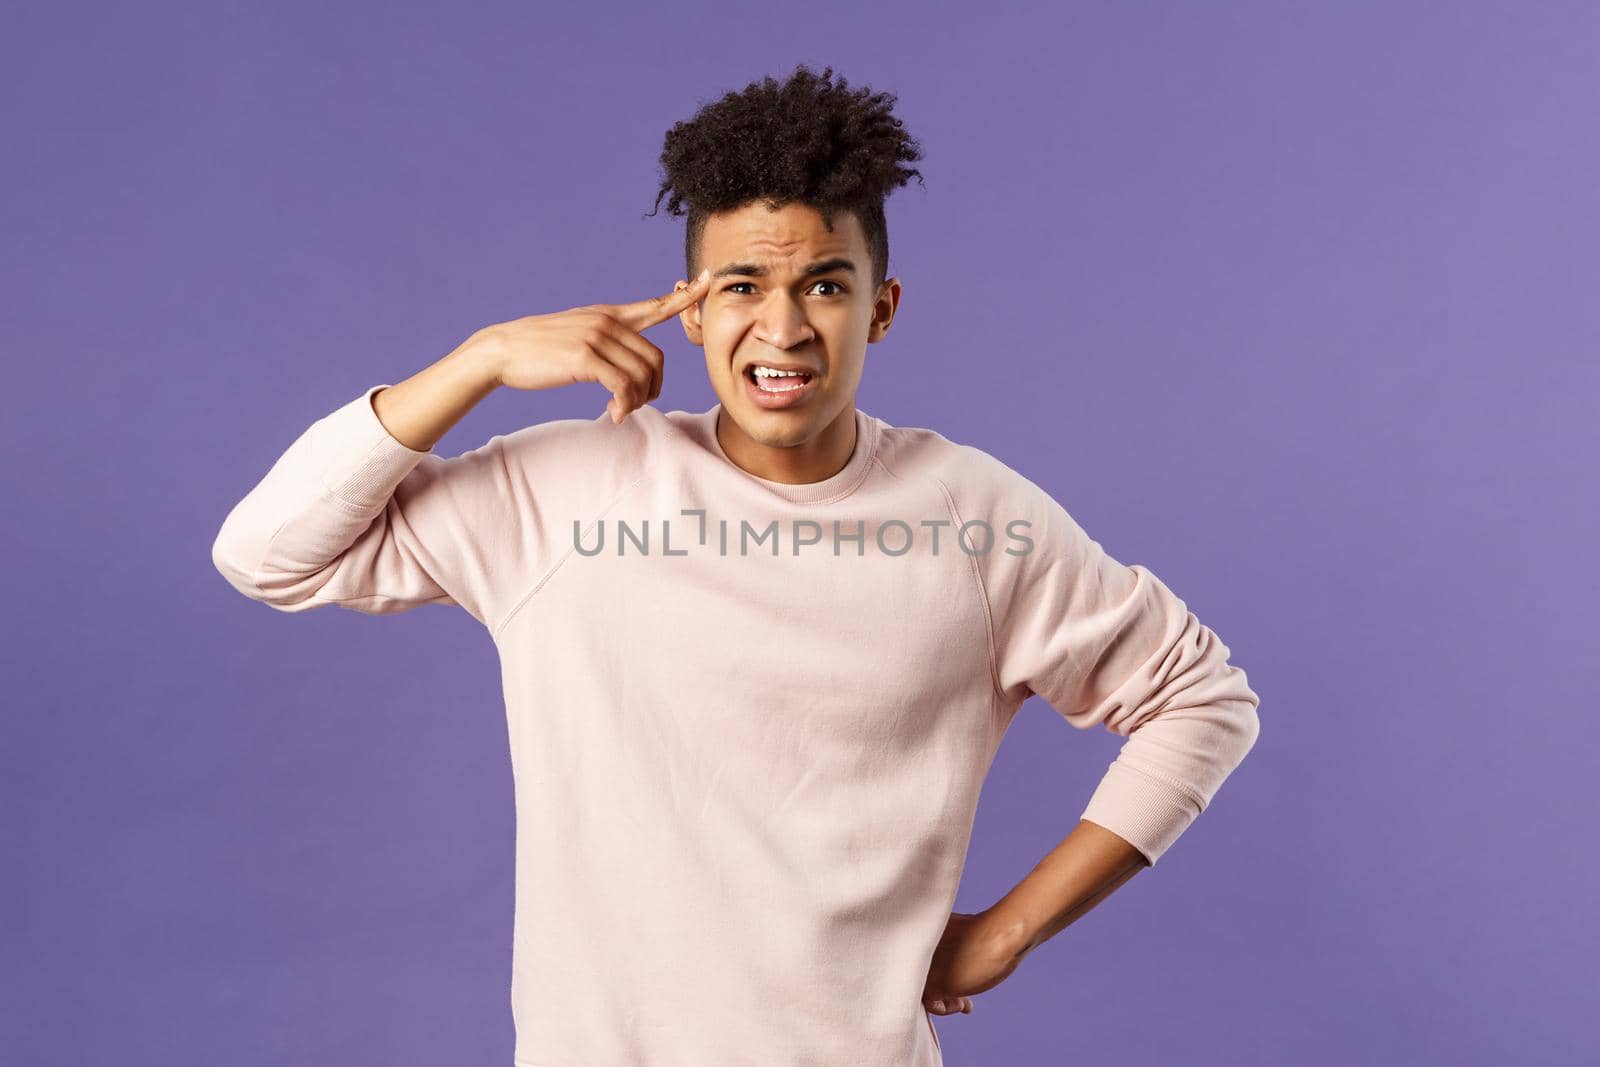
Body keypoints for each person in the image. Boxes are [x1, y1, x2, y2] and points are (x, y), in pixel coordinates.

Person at [212, 63, 1260, 1066]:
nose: (784, 325)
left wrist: (1008, 931)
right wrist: (478, 360)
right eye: (743, 284)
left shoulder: (971, 517)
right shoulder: (568, 492)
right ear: (694, 307)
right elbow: (268, 554)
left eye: (826, 285)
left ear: (881, 309)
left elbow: (1200, 699)